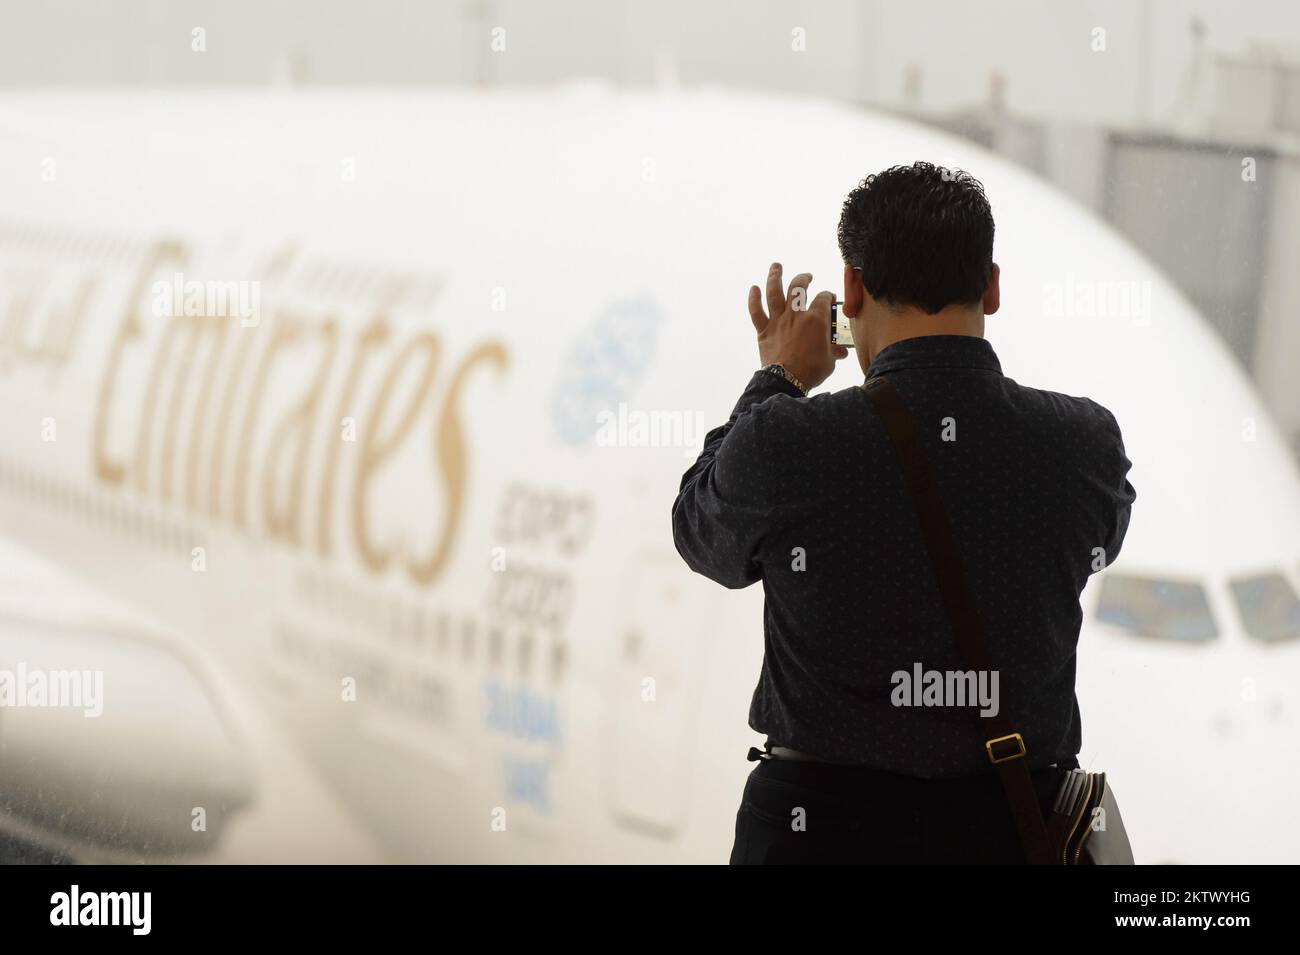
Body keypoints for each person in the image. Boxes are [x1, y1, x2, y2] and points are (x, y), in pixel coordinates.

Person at [671, 162, 1137, 864]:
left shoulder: (788, 442)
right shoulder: (1084, 445)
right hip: (1007, 830)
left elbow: (702, 534)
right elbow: (1100, 535)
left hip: (819, 834)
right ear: (992, 286)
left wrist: (778, 377)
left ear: (852, 289)